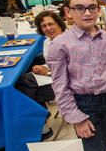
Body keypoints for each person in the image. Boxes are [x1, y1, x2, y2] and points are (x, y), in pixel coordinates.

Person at [47, 0, 106, 151]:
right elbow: (60, 85)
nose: (87, 13)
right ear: (68, 12)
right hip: (84, 105)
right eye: (79, 8)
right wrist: (76, 118)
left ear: (99, 10)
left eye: (92, 8)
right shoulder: (60, 44)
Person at [15, 11, 67, 141]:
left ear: (59, 24)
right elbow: (52, 62)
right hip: (52, 76)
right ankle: (40, 118)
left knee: (23, 85)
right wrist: (43, 67)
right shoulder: (48, 41)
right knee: (21, 82)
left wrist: (48, 71)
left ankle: (38, 125)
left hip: (65, 82)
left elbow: (71, 70)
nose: (48, 28)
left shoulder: (68, 41)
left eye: (51, 24)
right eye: (44, 26)